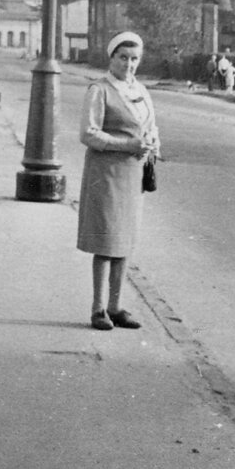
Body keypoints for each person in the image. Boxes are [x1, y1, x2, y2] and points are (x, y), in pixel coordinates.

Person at [77, 31, 160, 331]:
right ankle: (98, 308)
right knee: (106, 239)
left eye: (134, 59)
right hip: (107, 173)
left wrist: (153, 145)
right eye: (123, 58)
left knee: (124, 241)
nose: (129, 64)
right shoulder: (99, 90)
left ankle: (116, 306)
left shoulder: (140, 89)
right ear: (111, 58)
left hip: (133, 174)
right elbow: (88, 133)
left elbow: (150, 125)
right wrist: (128, 145)